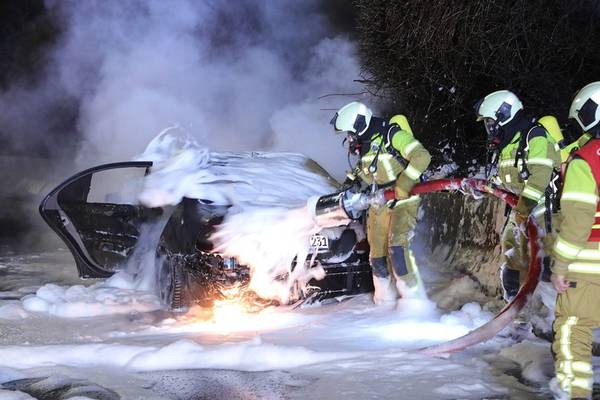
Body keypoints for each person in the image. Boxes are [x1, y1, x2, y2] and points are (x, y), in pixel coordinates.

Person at [330, 101, 431, 304]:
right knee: (376, 254)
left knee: (397, 247)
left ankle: (413, 302)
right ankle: (384, 301)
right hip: (379, 201)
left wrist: (406, 180)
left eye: (350, 133)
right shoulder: (365, 144)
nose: (349, 139)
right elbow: (366, 171)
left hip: (403, 198)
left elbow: (422, 156)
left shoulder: (390, 135)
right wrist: (348, 186)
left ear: (359, 125)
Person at [474, 90, 560, 302]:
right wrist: (484, 187)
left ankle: (555, 315)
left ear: (504, 116)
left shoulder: (535, 137)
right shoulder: (509, 145)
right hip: (521, 210)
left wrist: (523, 209)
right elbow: (506, 179)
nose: (489, 128)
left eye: (490, 122)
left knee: (546, 264)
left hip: (546, 212)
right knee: (512, 255)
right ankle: (515, 307)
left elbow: (540, 176)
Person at [550, 81, 600, 400]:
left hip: (589, 261)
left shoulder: (586, 159)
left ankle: (574, 393)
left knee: (573, 329)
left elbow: (578, 222)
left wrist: (560, 266)